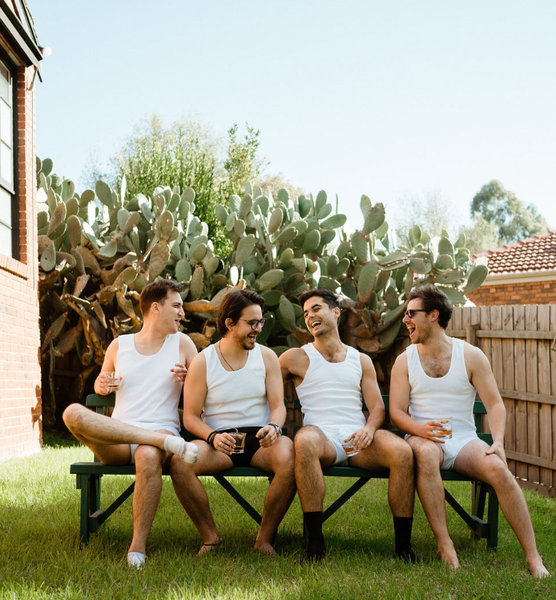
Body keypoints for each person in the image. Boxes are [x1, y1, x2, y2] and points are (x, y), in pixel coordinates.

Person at [389, 284, 549, 577]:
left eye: (411, 313)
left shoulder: (470, 355)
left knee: (498, 469)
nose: (405, 320)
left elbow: (495, 404)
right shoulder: (405, 360)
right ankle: (445, 545)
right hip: (422, 439)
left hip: (463, 440)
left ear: (433, 315)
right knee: (424, 455)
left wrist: (498, 442)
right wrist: (420, 429)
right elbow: (397, 413)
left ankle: (534, 558)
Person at [63, 279, 199, 569]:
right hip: (119, 437)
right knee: (72, 414)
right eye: (176, 306)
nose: (182, 313)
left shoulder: (183, 344)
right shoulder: (120, 345)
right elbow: (103, 384)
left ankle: (137, 546)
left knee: (148, 454)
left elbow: (205, 393)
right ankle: (160, 442)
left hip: (162, 429)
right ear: (155, 308)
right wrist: (101, 385)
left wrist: (191, 381)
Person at [279, 289, 416, 562]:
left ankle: (403, 548)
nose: (310, 316)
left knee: (402, 452)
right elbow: (257, 385)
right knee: (303, 440)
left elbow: (377, 407)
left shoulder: (360, 359)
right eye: (306, 313)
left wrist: (369, 429)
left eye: (316, 309)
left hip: (358, 439)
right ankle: (315, 546)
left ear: (336, 312)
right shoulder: (295, 357)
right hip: (322, 440)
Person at [170, 289, 296, 555]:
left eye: (260, 322)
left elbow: (278, 406)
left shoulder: (267, 357)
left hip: (260, 441)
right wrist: (213, 436)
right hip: (218, 442)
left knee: (289, 456)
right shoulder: (204, 361)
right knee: (180, 463)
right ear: (229, 323)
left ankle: (264, 539)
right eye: (252, 323)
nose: (258, 329)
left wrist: (274, 427)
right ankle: (211, 538)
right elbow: (190, 417)